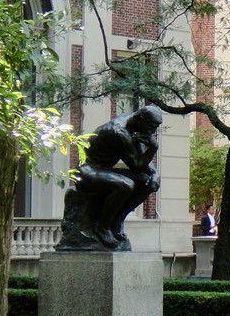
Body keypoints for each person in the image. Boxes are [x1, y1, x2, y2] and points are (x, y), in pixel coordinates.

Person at [56, 105, 162, 251]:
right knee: (125, 185)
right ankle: (103, 227)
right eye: (151, 126)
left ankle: (117, 221)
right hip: (87, 171)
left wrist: (155, 175)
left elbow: (142, 160)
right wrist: (154, 148)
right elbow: (137, 165)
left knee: (147, 182)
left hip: (104, 170)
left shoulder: (135, 126)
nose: (153, 132)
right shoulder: (119, 132)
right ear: (141, 119)